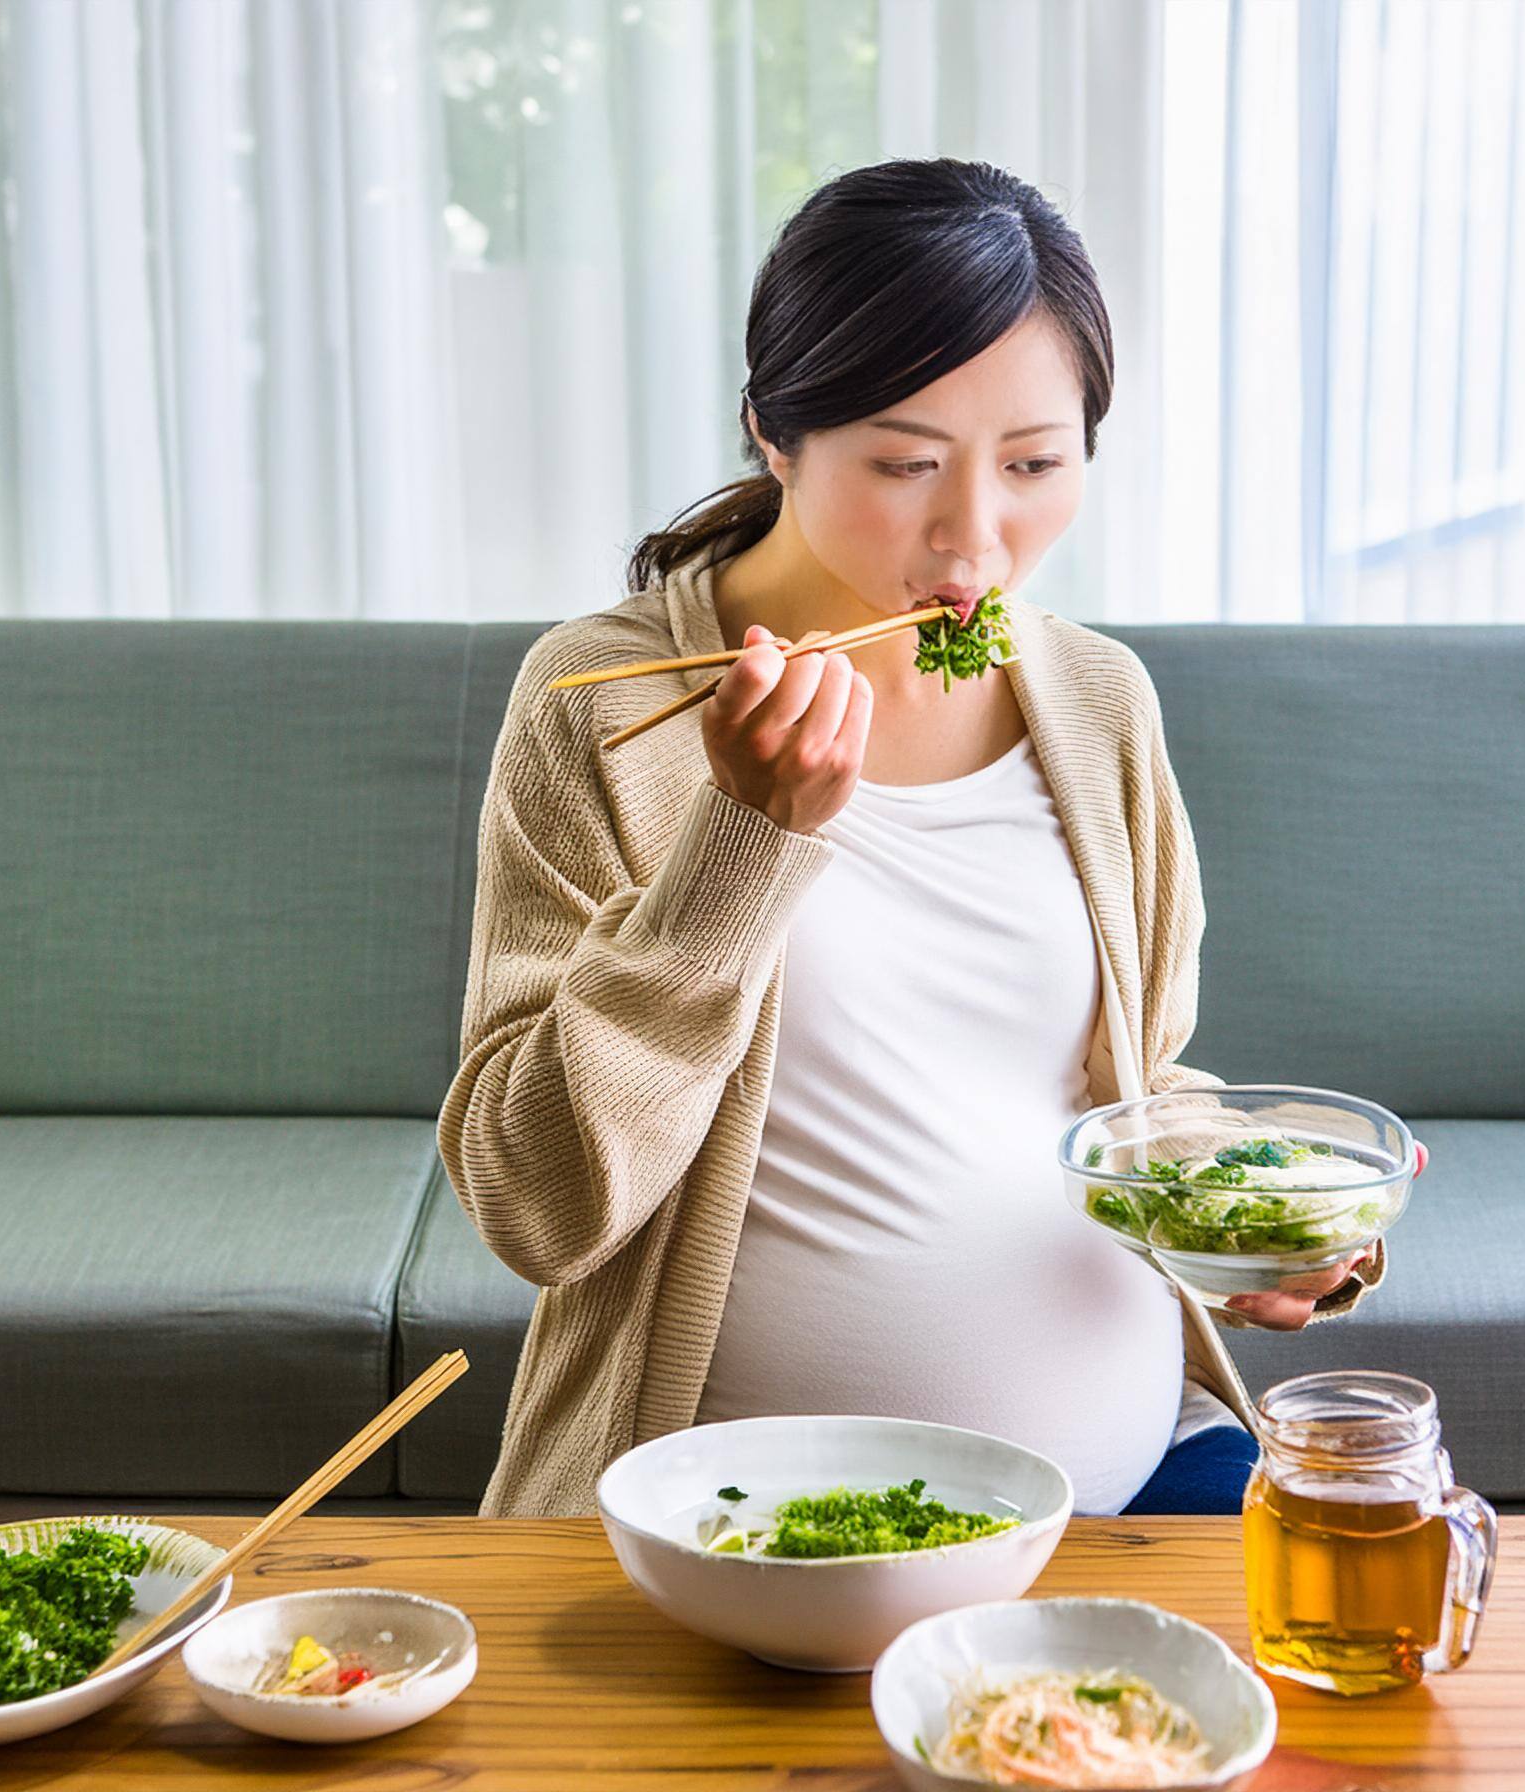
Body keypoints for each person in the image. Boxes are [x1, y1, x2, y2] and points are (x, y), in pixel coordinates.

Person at [436, 157, 1386, 1522]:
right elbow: (537, 1209)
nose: (976, 538)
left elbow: (1127, 1085)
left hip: (1136, 1477)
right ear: (774, 432)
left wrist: (1258, 1225)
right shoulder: (611, 707)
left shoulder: (1098, 700)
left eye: (1035, 466)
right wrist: (740, 843)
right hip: (735, 1536)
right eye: (905, 463)